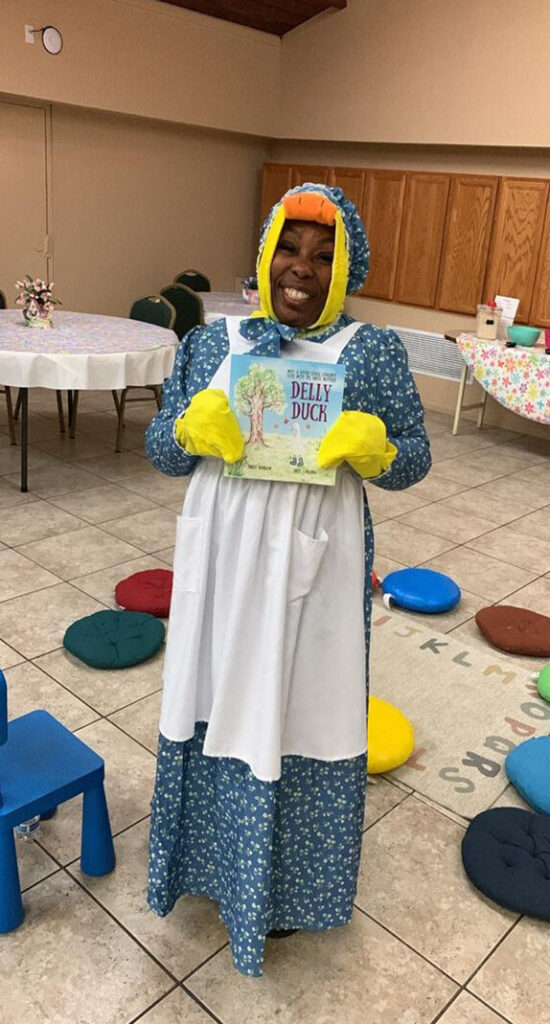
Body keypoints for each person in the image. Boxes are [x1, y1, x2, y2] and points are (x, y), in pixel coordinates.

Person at [145, 182, 431, 976]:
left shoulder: (370, 354)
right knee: (213, 694)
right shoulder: (211, 344)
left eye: (323, 256)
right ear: (265, 255)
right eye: (289, 249)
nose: (301, 269)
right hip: (220, 559)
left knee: (300, 707)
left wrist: (380, 449)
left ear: (347, 272)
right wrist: (185, 431)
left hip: (317, 559)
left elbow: (415, 457)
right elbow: (160, 449)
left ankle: (287, 893)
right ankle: (208, 867)